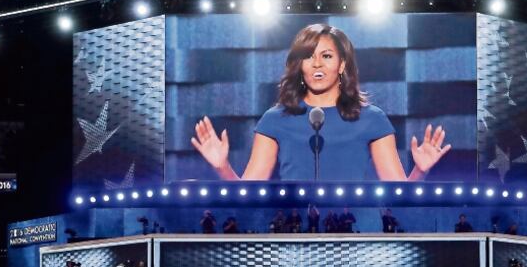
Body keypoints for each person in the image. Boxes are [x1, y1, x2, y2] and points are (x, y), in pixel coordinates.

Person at [190, 24, 450, 182]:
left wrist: (420, 170)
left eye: (326, 56)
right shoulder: (274, 119)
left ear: (342, 64)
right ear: (299, 65)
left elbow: (398, 194)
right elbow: (248, 193)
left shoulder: (372, 118)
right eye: (308, 57)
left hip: (358, 238)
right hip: (294, 236)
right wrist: (222, 167)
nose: (316, 64)